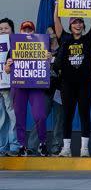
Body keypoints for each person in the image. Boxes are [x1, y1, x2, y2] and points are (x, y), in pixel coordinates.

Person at [53, 0, 91, 158]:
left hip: (86, 82)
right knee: (68, 114)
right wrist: (58, 2)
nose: (78, 25)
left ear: (83, 25)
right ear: (70, 25)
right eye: (75, 23)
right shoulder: (64, 38)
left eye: (80, 22)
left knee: (84, 113)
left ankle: (84, 148)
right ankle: (66, 148)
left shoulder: (89, 39)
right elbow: (56, 20)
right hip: (67, 83)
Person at [4, 21, 51, 156]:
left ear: (34, 32)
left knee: (40, 115)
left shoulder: (42, 46)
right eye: (25, 30)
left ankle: (42, 143)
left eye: (30, 30)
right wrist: (8, 65)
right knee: (19, 117)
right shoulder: (13, 48)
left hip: (36, 86)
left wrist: (49, 58)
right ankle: (22, 145)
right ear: (20, 31)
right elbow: (7, 70)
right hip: (19, 86)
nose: (27, 32)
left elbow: (48, 67)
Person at [28, 25, 63, 156]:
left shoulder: (64, 47)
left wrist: (53, 59)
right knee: (40, 117)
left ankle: (56, 146)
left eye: (53, 32)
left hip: (61, 89)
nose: (52, 35)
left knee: (60, 119)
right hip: (46, 90)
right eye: (48, 33)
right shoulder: (40, 48)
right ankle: (32, 146)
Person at [0, 18, 18, 156]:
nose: (3, 31)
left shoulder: (17, 44)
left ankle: (14, 146)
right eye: (0, 29)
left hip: (9, 86)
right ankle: (2, 147)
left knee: (12, 117)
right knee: (1, 118)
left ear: (12, 30)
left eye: (6, 28)